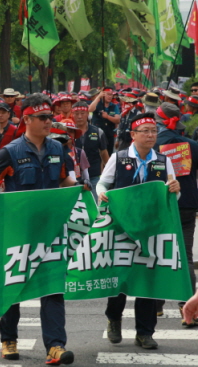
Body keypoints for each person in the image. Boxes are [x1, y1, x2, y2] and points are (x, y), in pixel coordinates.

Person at [0, 93, 87, 365]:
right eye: (43, 117)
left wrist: (79, 188)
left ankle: (55, 346)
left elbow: (64, 179)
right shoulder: (10, 151)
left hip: (51, 230)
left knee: (52, 287)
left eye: (50, 117)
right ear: (27, 119)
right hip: (18, 231)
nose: (49, 121)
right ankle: (8, 340)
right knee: (13, 286)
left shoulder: (57, 149)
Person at [96, 113, 180, 350]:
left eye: (154, 130)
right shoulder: (119, 157)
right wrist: (102, 193)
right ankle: (114, 319)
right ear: (133, 135)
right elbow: (103, 183)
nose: (151, 135)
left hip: (151, 228)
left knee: (148, 279)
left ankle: (145, 332)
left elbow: (173, 195)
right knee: (121, 278)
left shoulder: (163, 160)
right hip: (122, 227)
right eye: (146, 131)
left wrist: (175, 189)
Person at [153, 102, 198, 325]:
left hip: (161, 205)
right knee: (186, 255)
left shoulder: (152, 144)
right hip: (188, 203)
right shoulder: (192, 144)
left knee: (159, 253)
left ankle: (156, 305)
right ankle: (188, 305)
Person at [72, 101, 109, 202]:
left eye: (82, 113)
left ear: (87, 114)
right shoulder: (68, 132)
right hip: (73, 179)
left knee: (95, 206)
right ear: (72, 114)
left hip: (94, 176)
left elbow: (104, 152)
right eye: (76, 113)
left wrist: (110, 171)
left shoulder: (98, 131)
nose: (80, 116)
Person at [88, 87, 120, 155]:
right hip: (97, 133)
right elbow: (90, 109)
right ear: (103, 94)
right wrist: (98, 97)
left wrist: (107, 117)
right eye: (108, 94)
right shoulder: (98, 104)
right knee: (97, 154)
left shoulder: (114, 106)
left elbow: (117, 120)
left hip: (109, 134)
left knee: (109, 153)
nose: (109, 96)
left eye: (111, 95)